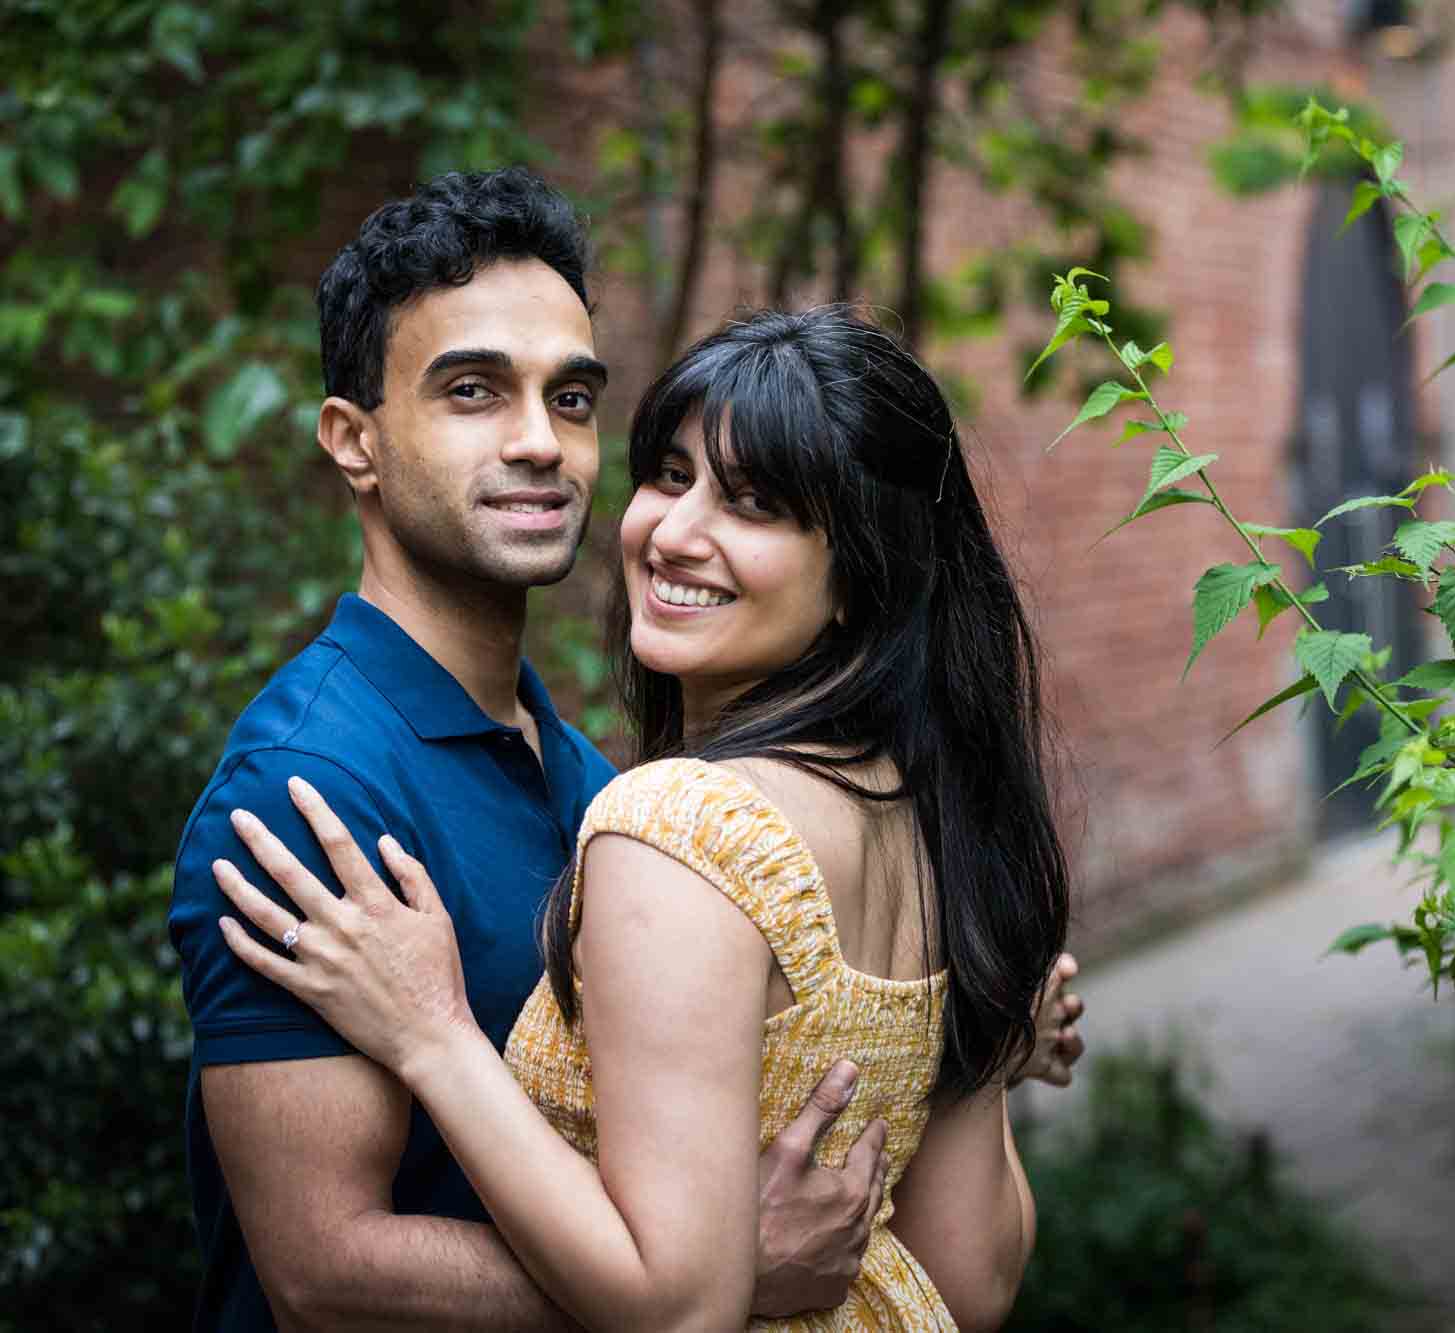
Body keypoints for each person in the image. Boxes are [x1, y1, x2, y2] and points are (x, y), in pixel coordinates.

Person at [167, 171, 1084, 1332]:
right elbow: (326, 1273)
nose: (539, 442)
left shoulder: (610, 784)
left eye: (573, 398)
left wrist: (962, 1031)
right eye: (471, 392)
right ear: (354, 440)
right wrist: (731, 1268)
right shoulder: (310, 790)